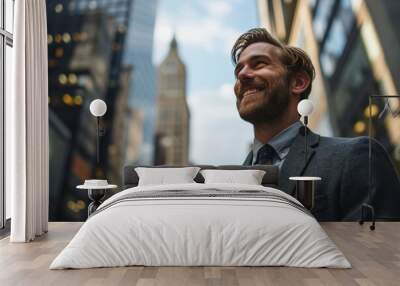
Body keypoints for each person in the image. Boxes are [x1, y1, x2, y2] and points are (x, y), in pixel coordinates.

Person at [232, 28, 400, 221]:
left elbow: (375, 248)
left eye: (259, 63)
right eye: (238, 71)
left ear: (298, 82)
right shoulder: (230, 184)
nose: (243, 75)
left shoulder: (357, 158)